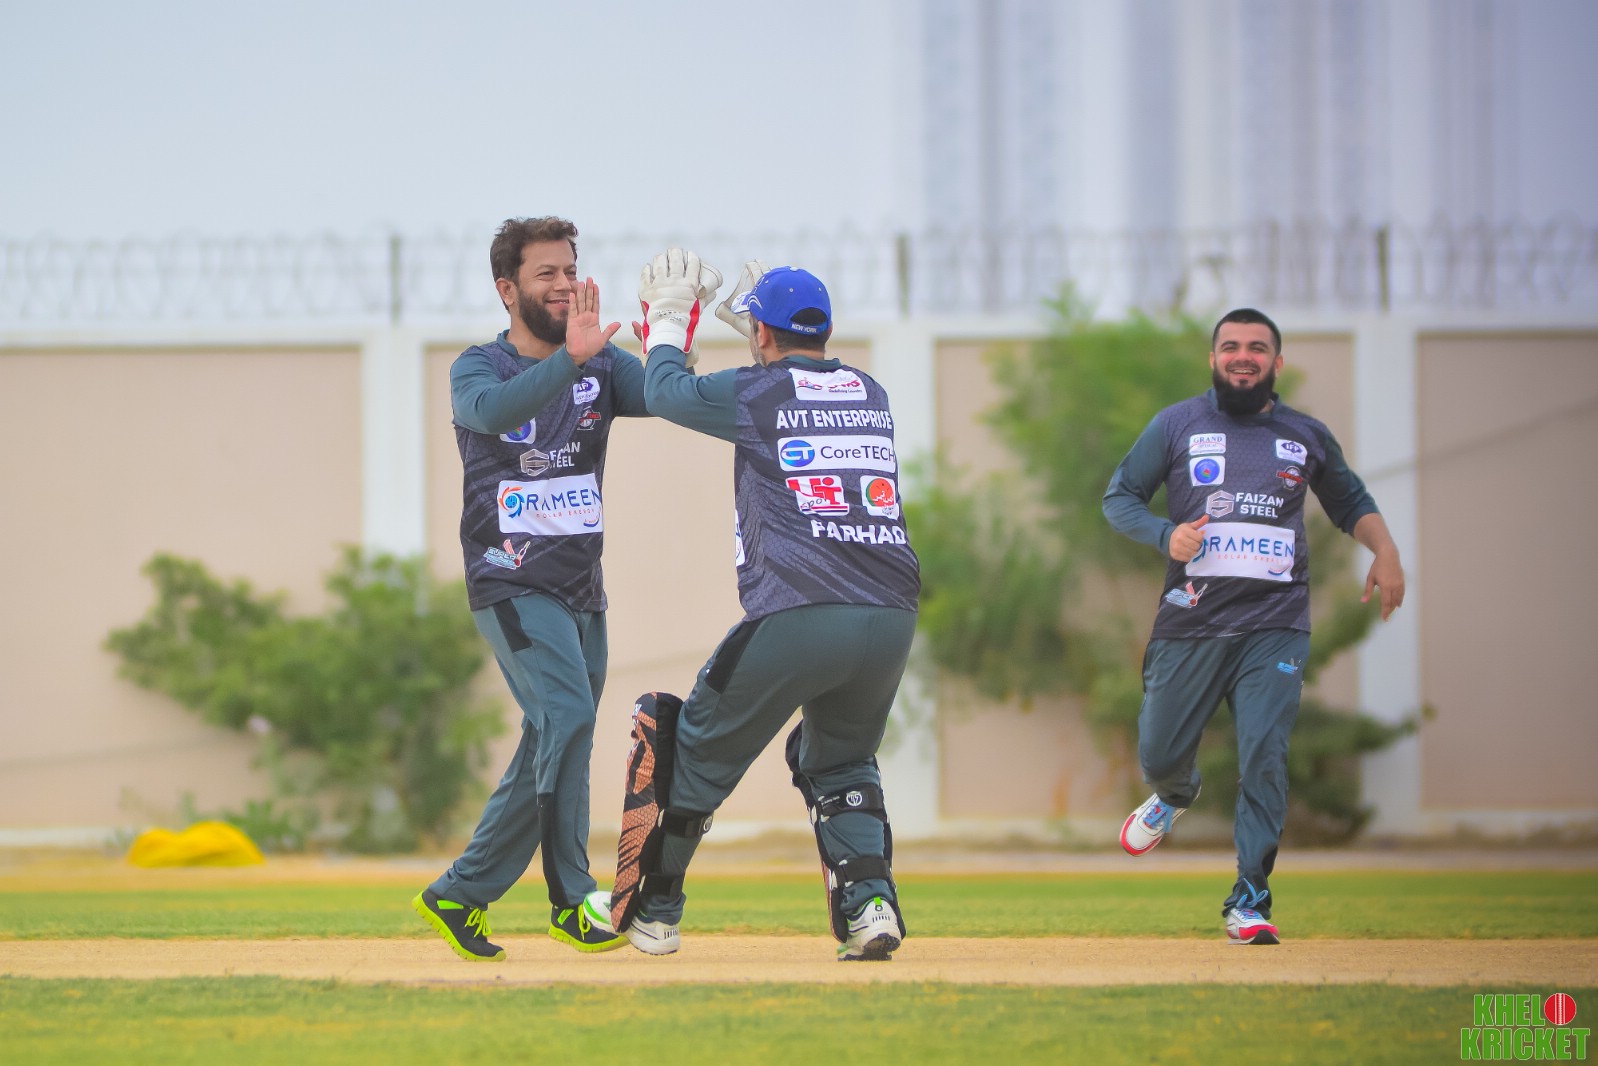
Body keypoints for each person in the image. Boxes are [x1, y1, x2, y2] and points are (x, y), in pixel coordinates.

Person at [612, 251, 921, 962]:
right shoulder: (869, 390)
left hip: (800, 607)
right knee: (841, 763)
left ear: (761, 333)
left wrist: (669, 319)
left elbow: (667, 393)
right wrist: (761, 337)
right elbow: (799, 384)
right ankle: (871, 907)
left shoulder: (758, 392)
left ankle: (656, 913)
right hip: (890, 614)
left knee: (692, 748)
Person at [1101, 307, 1405, 946]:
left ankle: (1250, 898)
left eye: (1257, 348)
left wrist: (1386, 551)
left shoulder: (1305, 434)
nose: (1244, 356)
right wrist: (1164, 534)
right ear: (1213, 359)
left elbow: (1350, 501)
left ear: (1276, 363)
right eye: (1231, 346)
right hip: (1191, 619)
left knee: (1264, 755)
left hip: (1276, 624)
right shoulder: (1177, 424)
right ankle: (1174, 794)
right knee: (1159, 753)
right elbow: (1119, 497)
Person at [412, 216, 645, 960]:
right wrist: (573, 360)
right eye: (547, 273)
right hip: (510, 580)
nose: (564, 284)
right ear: (507, 289)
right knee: (568, 715)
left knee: (554, 732)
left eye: (570, 270)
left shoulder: (601, 363)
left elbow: (668, 397)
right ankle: (571, 899)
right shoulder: (478, 368)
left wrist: (674, 340)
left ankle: (461, 892)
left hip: (582, 588)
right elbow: (490, 413)